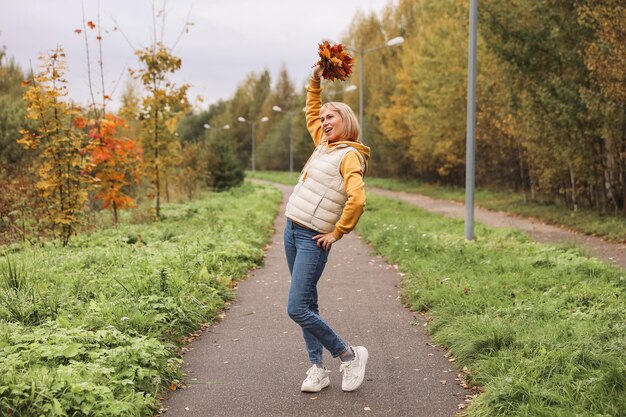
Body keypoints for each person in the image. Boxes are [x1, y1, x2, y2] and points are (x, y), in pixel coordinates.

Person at [284, 63, 371, 393]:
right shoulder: (324, 144)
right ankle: (317, 369)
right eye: (322, 120)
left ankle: (348, 355)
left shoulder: (349, 155)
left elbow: (358, 199)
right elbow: (310, 109)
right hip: (291, 230)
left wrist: (338, 232)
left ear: (345, 120)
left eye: (329, 118)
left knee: (297, 308)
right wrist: (314, 80)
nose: (323, 122)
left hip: (312, 238)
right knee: (308, 304)